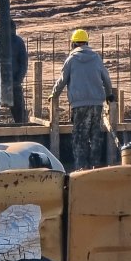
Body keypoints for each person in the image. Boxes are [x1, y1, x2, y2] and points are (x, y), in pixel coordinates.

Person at [50, 28, 115, 170]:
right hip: (97, 104)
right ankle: (95, 166)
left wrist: (53, 95)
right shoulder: (96, 58)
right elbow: (106, 78)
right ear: (86, 42)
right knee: (95, 135)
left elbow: (62, 81)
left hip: (79, 105)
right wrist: (109, 94)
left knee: (80, 137)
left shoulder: (71, 59)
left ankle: (81, 168)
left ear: (73, 44)